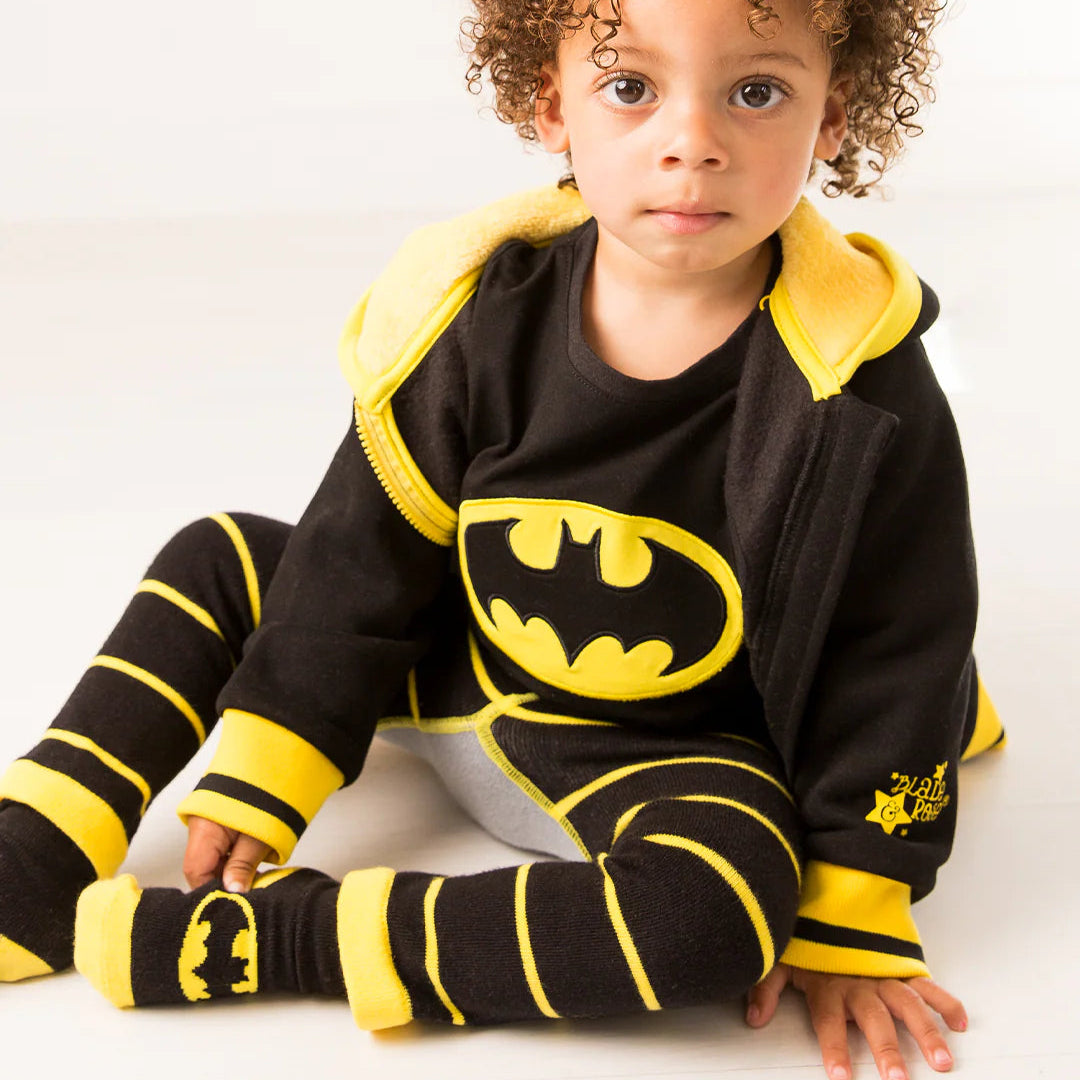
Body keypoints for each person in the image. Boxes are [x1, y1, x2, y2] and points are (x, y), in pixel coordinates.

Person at [0, 2, 1005, 1078]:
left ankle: (285, 939)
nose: (692, 141)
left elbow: (902, 641)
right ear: (552, 108)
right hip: (453, 653)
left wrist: (854, 900)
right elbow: (365, 545)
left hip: (661, 750)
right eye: (631, 89)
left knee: (719, 912)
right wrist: (271, 758)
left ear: (833, 118)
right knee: (223, 557)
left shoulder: (861, 380)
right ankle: (42, 836)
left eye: (756, 93)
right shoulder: (476, 307)